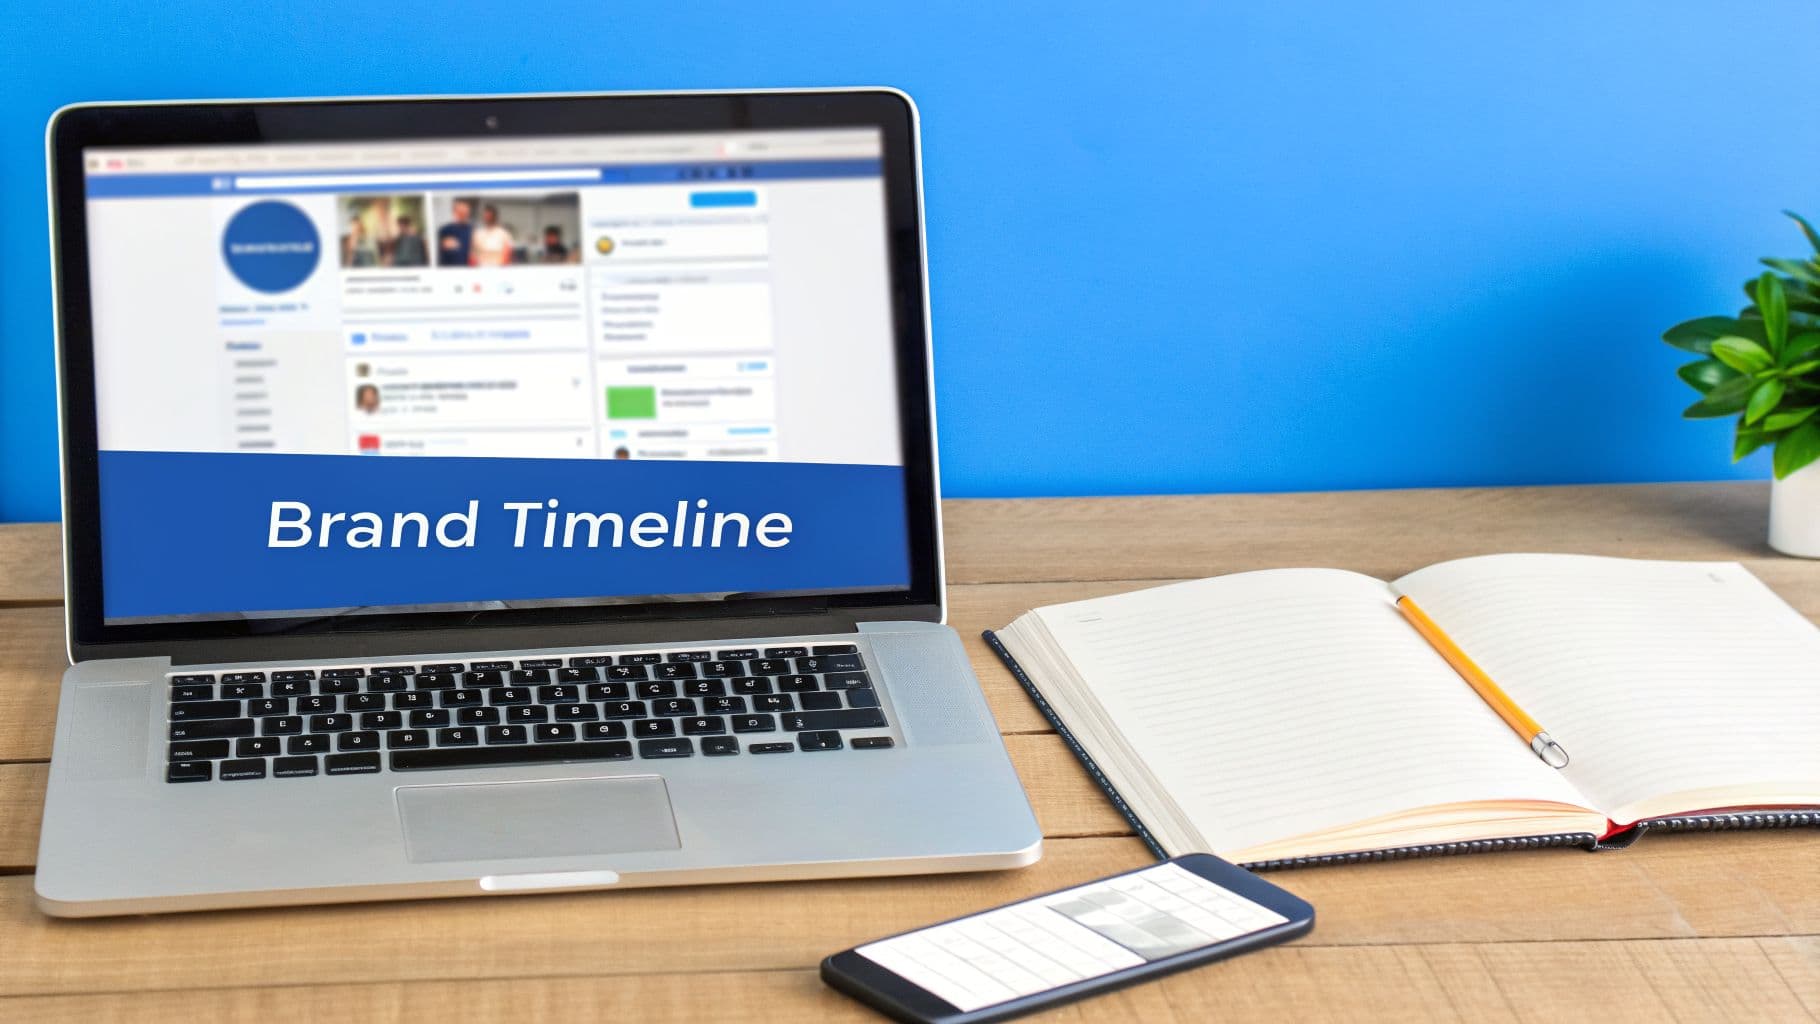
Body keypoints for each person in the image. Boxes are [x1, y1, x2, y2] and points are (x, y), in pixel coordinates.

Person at [438, 199, 474, 266]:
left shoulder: (473, 230)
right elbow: (441, 256)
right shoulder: (445, 230)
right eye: (461, 212)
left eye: (466, 212)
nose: (464, 215)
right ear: (454, 212)